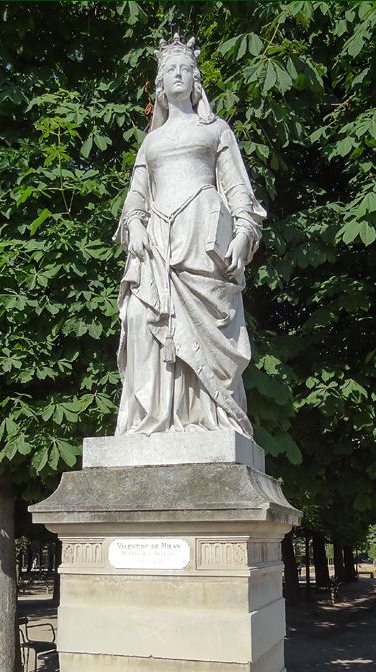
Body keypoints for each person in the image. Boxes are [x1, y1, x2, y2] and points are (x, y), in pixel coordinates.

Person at [114, 34, 266, 437]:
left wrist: (242, 235)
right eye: (169, 70)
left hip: (201, 243)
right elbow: (136, 197)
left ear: (195, 79)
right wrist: (133, 224)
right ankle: (153, 418)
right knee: (139, 315)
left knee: (204, 331)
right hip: (158, 243)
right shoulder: (152, 141)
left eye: (185, 69)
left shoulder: (215, 129)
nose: (177, 75)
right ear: (159, 85)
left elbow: (239, 192)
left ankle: (204, 417)